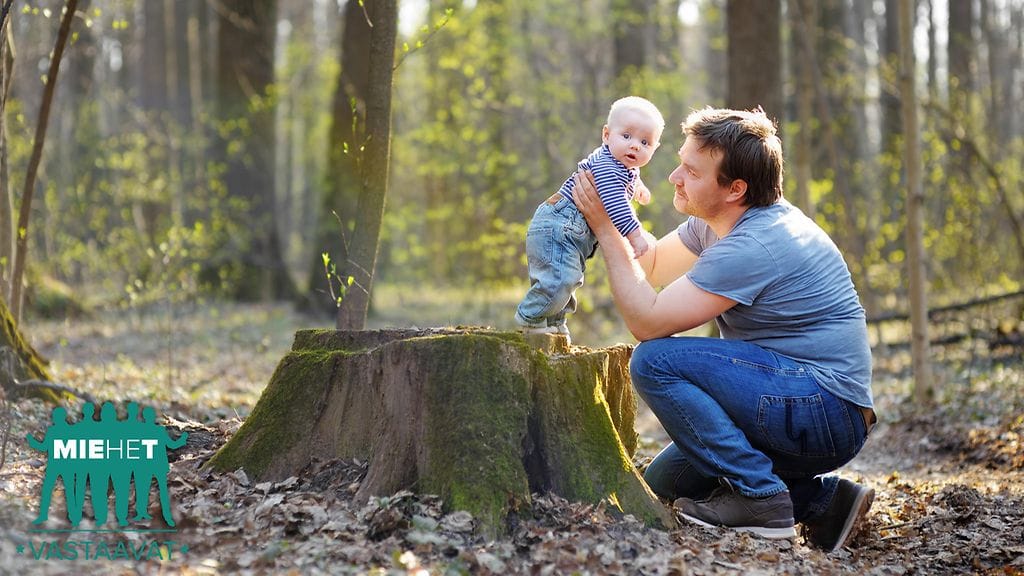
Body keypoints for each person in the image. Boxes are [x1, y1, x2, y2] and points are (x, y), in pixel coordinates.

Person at [570, 106, 876, 552]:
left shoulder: (755, 244)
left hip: (824, 408)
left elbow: (647, 321)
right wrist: (614, 219)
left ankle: (762, 500)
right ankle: (823, 501)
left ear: (736, 189)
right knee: (664, 485)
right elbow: (651, 265)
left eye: (691, 171)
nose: (674, 176)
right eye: (680, 161)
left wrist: (604, 225)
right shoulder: (716, 222)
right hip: (796, 400)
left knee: (654, 362)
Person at [514, 96, 664, 341]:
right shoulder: (606, 167)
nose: (635, 145)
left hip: (569, 229)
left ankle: (554, 322)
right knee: (560, 277)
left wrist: (638, 186)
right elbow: (616, 205)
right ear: (607, 135)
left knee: (570, 277)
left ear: (654, 148)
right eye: (626, 136)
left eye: (645, 142)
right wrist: (635, 236)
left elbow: (629, 177)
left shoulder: (622, 165)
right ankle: (529, 317)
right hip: (558, 224)